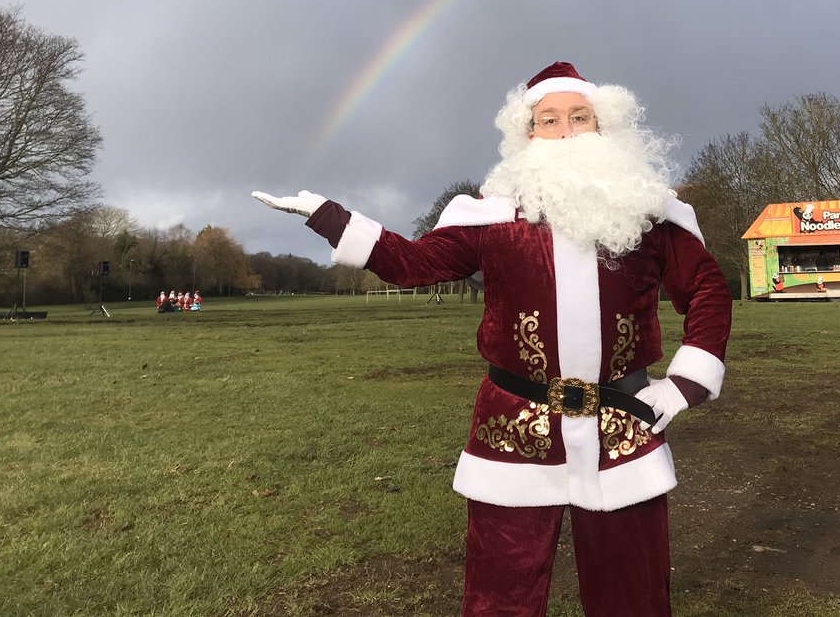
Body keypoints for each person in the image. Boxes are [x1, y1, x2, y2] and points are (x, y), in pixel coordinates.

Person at [253, 61, 732, 617]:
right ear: (528, 134)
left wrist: (684, 385)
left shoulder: (651, 214)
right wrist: (326, 215)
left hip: (620, 424)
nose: (567, 130)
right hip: (513, 427)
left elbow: (707, 289)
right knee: (500, 595)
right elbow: (412, 263)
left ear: (603, 128)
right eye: (549, 120)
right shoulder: (487, 218)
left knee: (634, 594)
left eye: (580, 117)